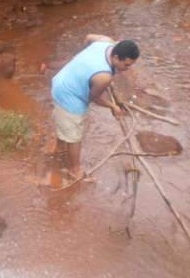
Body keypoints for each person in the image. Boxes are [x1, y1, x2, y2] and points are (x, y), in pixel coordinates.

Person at [50, 34, 140, 181]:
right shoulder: (103, 77)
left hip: (61, 81)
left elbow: (88, 37)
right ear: (116, 57)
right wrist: (113, 107)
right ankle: (75, 170)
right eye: (126, 65)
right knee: (75, 136)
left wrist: (83, 56)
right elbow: (94, 98)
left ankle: (59, 149)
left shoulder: (105, 42)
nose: (128, 68)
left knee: (64, 123)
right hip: (69, 96)